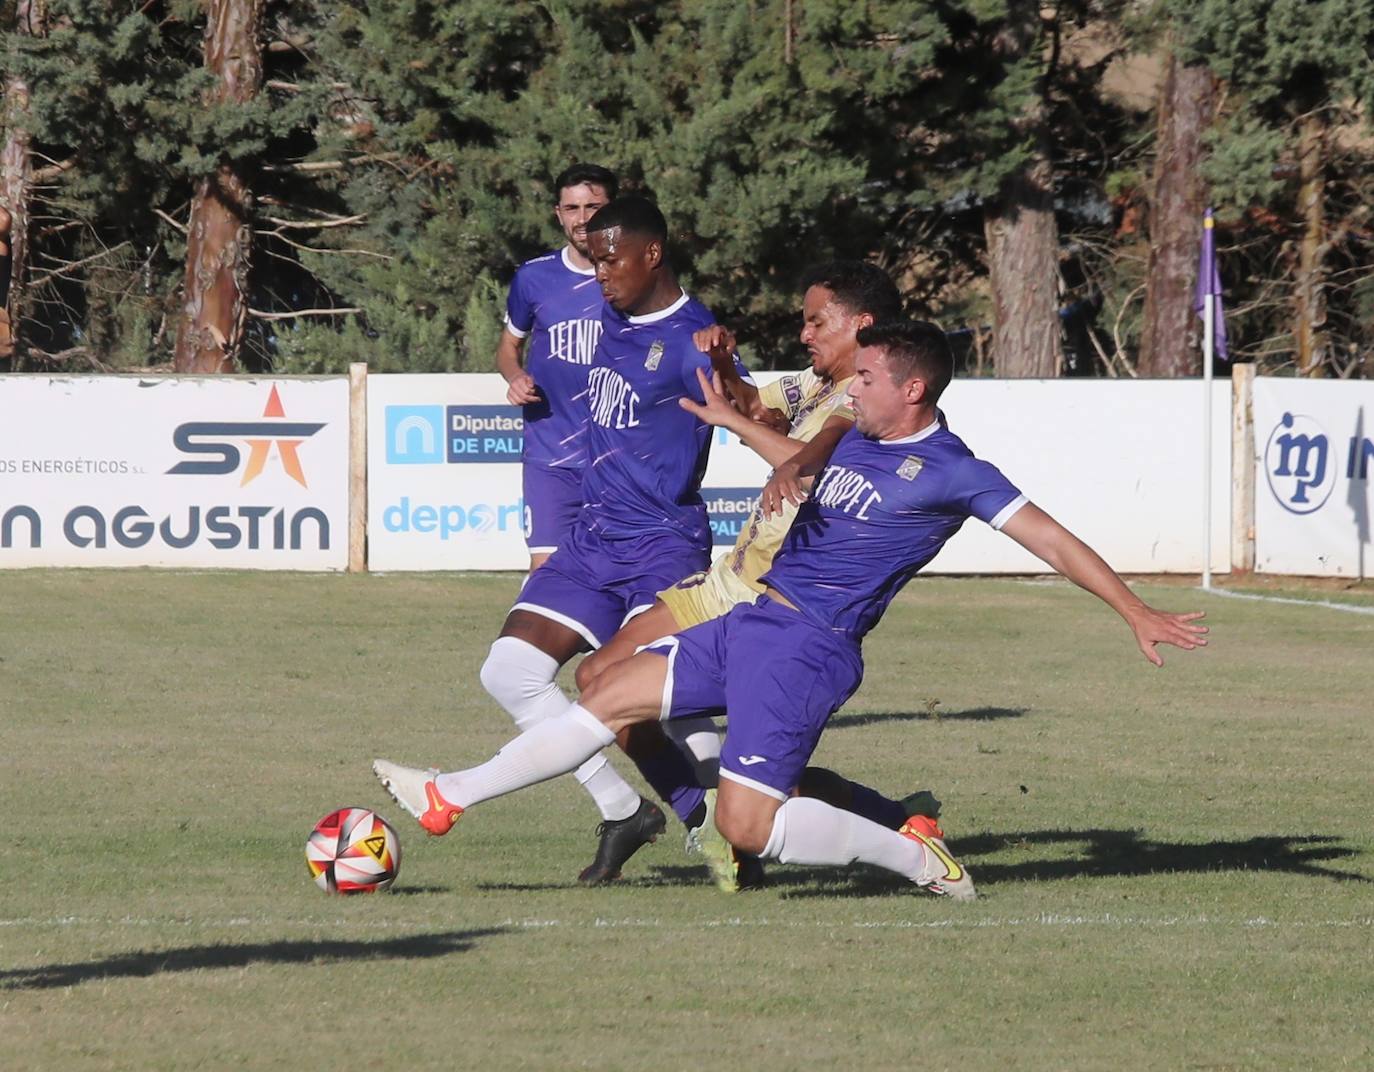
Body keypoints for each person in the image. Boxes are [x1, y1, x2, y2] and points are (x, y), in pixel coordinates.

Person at [375, 321, 1208, 899]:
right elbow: (800, 466)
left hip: (810, 649)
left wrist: (1134, 611)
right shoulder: (861, 440)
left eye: (870, 379)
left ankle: (915, 858)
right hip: (752, 616)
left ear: (912, 388)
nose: (856, 389)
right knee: (609, 693)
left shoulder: (955, 470)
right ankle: (449, 796)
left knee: (745, 828)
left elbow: (1054, 540)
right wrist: (735, 422)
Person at [575, 261, 923, 890]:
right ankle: (711, 822)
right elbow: (753, 406)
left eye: (817, 320)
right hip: (728, 578)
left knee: (756, 777)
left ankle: (880, 821)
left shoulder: (867, 402)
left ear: (862, 324)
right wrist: (726, 363)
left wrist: (755, 430)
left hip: (772, 596)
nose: (805, 333)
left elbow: (807, 457)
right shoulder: (816, 385)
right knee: (598, 677)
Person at [475, 193, 751, 886]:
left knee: (657, 699)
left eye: (610, 261)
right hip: (591, 535)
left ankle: (721, 828)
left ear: (651, 254)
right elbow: (529, 353)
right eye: (594, 263)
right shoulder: (606, 317)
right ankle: (624, 808)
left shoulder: (694, 337)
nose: (599, 275)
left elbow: (744, 407)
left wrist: (726, 369)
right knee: (508, 673)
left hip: (663, 543)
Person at [496, 163, 617, 572]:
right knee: (546, 574)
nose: (583, 219)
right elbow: (507, 348)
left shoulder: (636, 278)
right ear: (559, 213)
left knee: (619, 574)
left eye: (593, 207)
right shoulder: (534, 278)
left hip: (618, 458)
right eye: (572, 208)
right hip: (551, 457)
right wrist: (515, 376)